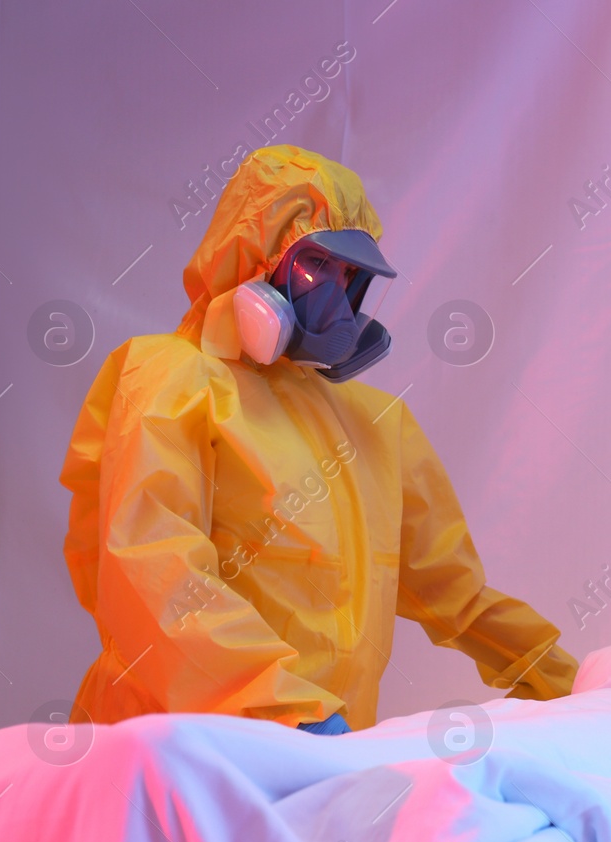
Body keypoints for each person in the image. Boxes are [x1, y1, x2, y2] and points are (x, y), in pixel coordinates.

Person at [60, 145, 577, 735]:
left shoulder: (376, 424)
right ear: (253, 256)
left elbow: (458, 596)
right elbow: (152, 572)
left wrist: (567, 682)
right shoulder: (172, 378)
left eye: (348, 275)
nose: (333, 292)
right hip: (175, 751)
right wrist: (279, 705)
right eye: (314, 267)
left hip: (319, 759)